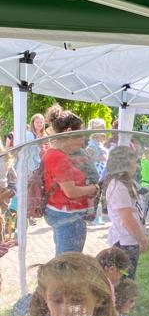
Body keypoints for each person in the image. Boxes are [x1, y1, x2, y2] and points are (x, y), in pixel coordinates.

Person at [41, 105, 99, 255]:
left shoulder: (54, 153)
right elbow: (71, 192)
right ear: (69, 132)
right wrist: (94, 189)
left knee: (64, 258)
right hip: (69, 216)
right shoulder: (60, 158)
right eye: (80, 135)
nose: (83, 141)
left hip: (62, 213)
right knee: (68, 262)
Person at [102, 145, 149, 278]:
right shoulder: (118, 186)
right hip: (125, 242)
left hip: (129, 240)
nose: (136, 166)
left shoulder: (125, 183)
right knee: (124, 281)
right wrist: (142, 239)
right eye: (133, 162)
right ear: (124, 164)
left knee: (128, 278)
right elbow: (127, 219)